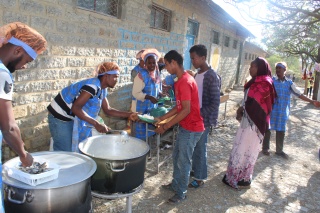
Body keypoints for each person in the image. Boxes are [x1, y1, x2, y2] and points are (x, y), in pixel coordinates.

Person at [0, 22, 47, 212]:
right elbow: (9, 127)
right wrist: (23, 155)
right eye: (27, 60)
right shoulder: (2, 74)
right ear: (18, 50)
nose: (25, 67)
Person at [47, 61, 137, 152]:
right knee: (64, 150)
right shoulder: (93, 86)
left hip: (69, 115)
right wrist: (96, 124)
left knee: (72, 148)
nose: (117, 80)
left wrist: (129, 115)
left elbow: (108, 110)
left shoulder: (102, 89)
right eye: (115, 77)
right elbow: (76, 108)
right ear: (106, 76)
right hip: (59, 115)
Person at [155, 50, 204, 203]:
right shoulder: (180, 80)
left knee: (184, 161)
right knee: (177, 157)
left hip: (192, 128)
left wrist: (166, 126)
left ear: (174, 63)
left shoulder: (185, 81)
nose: (166, 68)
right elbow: (178, 107)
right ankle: (175, 184)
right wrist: (162, 118)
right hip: (185, 126)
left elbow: (186, 110)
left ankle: (181, 192)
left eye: (167, 64)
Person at [222, 57, 276, 190]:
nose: (250, 68)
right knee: (240, 147)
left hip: (255, 124)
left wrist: (244, 109)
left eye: (253, 66)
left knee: (247, 149)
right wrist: (242, 108)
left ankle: (242, 178)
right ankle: (237, 176)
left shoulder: (265, 83)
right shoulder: (254, 82)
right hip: (247, 121)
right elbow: (247, 100)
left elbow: (261, 106)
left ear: (260, 68)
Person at [262, 62, 320, 159]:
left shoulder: (289, 83)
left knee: (281, 130)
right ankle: (265, 148)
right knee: (267, 129)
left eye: (280, 68)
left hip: (283, 111)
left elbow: (299, 94)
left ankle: (279, 151)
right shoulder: (271, 81)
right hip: (272, 110)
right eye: (276, 68)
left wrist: (312, 101)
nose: (278, 70)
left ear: (285, 70)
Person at [188, 44, 221, 188]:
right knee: (195, 147)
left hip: (204, 119)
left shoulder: (211, 76)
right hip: (195, 117)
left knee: (200, 148)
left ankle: (200, 178)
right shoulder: (197, 74)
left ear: (203, 58)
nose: (192, 62)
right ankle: (196, 170)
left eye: (194, 59)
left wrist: (200, 113)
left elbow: (215, 102)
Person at [131, 49, 161, 140]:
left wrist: (161, 93)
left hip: (151, 108)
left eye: (153, 63)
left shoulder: (156, 74)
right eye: (149, 63)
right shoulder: (141, 75)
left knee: (150, 131)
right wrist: (149, 97)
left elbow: (157, 88)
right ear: (145, 64)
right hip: (141, 108)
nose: (151, 65)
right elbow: (135, 93)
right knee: (140, 133)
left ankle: (148, 148)